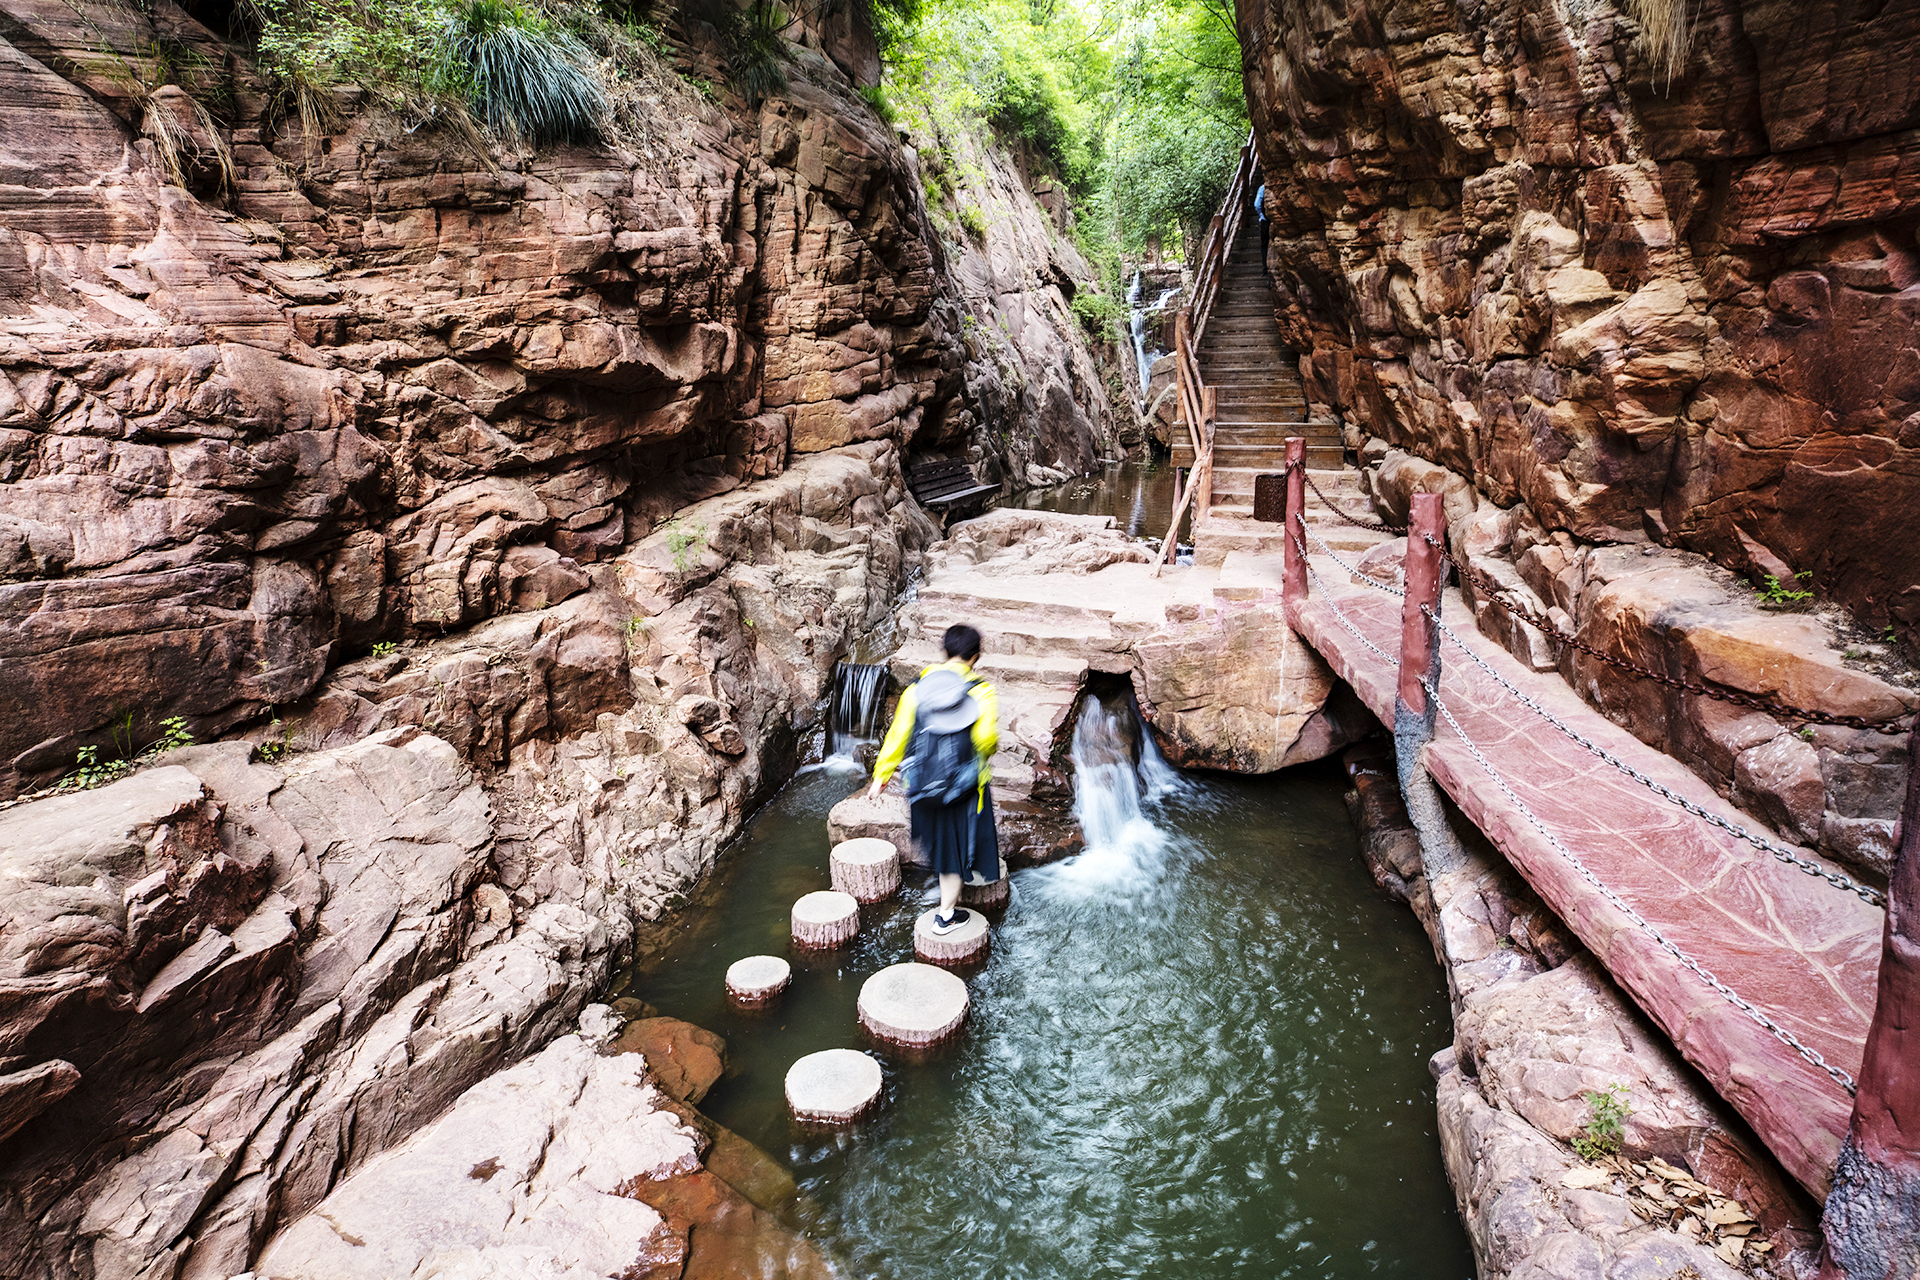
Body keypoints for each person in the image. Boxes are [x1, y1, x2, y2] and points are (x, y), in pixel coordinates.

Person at [867, 624, 1000, 935]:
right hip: (963, 788)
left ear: (945, 653)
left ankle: (942, 883)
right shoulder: (982, 691)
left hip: (923, 785)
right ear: (975, 656)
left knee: (940, 844)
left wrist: (881, 777)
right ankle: (946, 916)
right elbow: (986, 739)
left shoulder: (917, 688)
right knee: (956, 850)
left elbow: (898, 734)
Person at [1255, 179, 1269, 256]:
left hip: (1264, 220)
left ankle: (1265, 266)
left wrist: (1261, 215)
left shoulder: (1262, 188)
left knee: (1264, 245)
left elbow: (1257, 204)